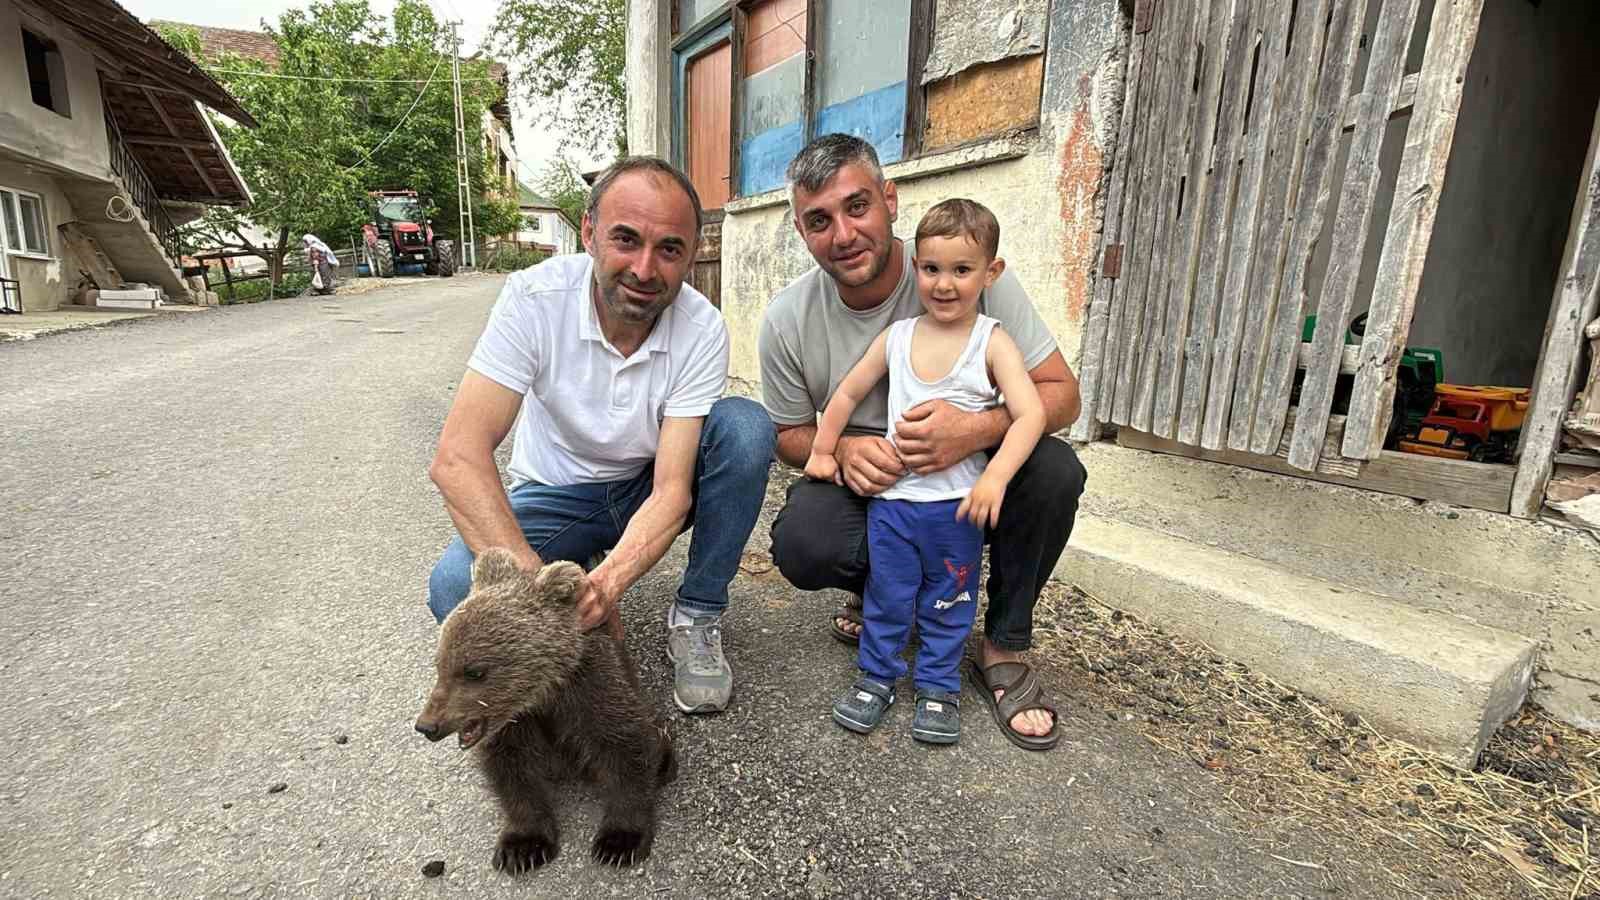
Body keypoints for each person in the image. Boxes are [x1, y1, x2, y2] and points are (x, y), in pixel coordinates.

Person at [759, 134, 1087, 750]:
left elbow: (1061, 395)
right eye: (819, 220)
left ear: (890, 200)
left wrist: (975, 431)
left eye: (857, 206)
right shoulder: (788, 318)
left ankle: (1003, 646)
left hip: (970, 478)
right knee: (805, 538)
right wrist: (843, 452)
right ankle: (887, 598)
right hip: (877, 486)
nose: (843, 234)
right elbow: (788, 433)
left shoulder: (963, 265)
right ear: (801, 232)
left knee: (1053, 470)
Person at [426, 156, 776, 715]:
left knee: (746, 427)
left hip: (645, 482)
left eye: (669, 249)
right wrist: (541, 595)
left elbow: (671, 491)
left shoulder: (701, 327)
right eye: (626, 239)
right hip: (557, 492)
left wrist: (606, 587)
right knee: (452, 589)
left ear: (691, 255)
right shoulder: (534, 299)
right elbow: (458, 459)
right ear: (589, 232)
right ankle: (569, 564)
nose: (644, 269)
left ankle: (697, 613)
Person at [806, 199, 1046, 744]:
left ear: (991, 272)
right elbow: (847, 392)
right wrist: (824, 449)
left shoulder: (992, 341)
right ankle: (876, 677)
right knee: (887, 595)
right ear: (916, 268)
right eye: (932, 268)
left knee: (949, 600)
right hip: (893, 505)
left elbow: (1031, 413)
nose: (944, 284)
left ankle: (939, 686)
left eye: (962, 270)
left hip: (956, 508)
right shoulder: (898, 337)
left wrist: (995, 477)